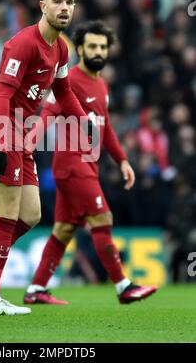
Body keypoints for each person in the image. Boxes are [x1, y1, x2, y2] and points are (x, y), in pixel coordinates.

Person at [0, 0, 97, 315]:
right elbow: (1, 94)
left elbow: (64, 92)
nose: (64, 8)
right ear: (42, 6)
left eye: (70, 3)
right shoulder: (23, 44)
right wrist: (0, 145)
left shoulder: (60, 49)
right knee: (7, 214)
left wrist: (84, 121)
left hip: (20, 133)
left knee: (30, 215)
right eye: (57, 1)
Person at [24, 20, 157, 305]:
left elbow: (104, 128)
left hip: (86, 165)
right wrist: (30, 142)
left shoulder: (101, 84)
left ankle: (36, 289)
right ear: (81, 49)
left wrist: (122, 160)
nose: (98, 51)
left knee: (64, 229)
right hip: (72, 164)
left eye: (103, 47)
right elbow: (47, 113)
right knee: (102, 219)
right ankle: (123, 286)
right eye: (92, 46)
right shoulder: (68, 79)